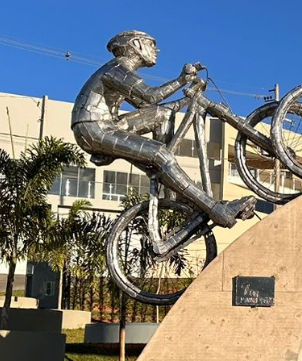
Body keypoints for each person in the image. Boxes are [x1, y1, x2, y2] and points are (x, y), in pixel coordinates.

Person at [71, 30, 255, 229]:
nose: (156, 50)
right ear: (136, 45)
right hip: (93, 128)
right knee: (160, 154)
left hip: (107, 124)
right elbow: (151, 96)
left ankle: (172, 194)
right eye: (151, 44)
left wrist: (188, 98)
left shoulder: (121, 71)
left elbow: (146, 107)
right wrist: (181, 80)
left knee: (162, 115)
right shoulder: (117, 69)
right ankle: (218, 211)